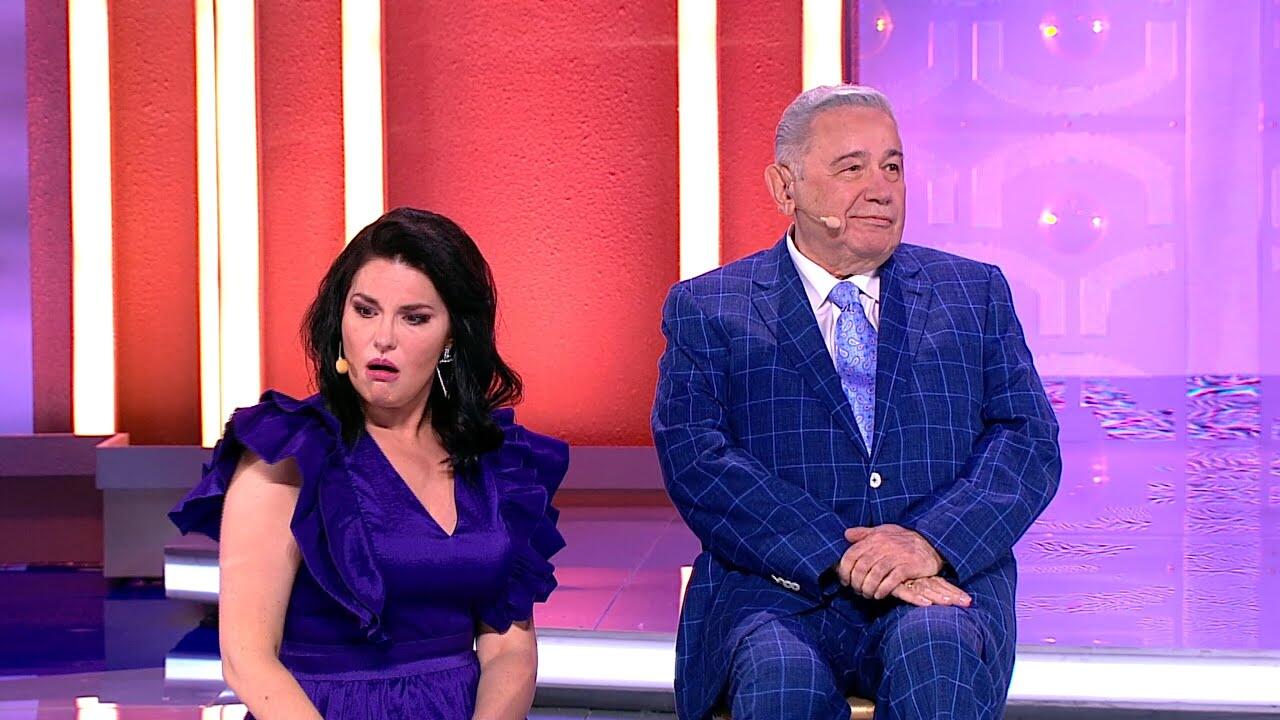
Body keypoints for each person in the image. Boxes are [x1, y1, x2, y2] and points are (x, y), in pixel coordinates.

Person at [652, 85, 1061, 719]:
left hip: (935, 586)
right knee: (779, 684)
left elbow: (1027, 442)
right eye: (852, 168)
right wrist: (840, 554)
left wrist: (927, 543)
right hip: (775, 591)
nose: (881, 188)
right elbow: (697, 461)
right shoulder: (710, 307)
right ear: (784, 187)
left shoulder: (972, 293)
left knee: (938, 659)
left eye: (892, 167)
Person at [170, 207, 568, 720]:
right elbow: (247, 660)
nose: (384, 338)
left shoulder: (496, 461)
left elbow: (510, 649)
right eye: (365, 311)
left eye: (414, 318)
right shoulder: (288, 452)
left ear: (452, 336)